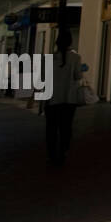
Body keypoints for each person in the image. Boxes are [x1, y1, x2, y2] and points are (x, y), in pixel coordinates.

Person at [45, 28, 84, 166]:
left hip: (52, 99)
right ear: (70, 42)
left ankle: (51, 154)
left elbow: (44, 78)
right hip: (69, 99)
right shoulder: (76, 58)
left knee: (51, 128)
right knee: (66, 127)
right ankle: (63, 152)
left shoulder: (50, 58)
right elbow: (78, 76)